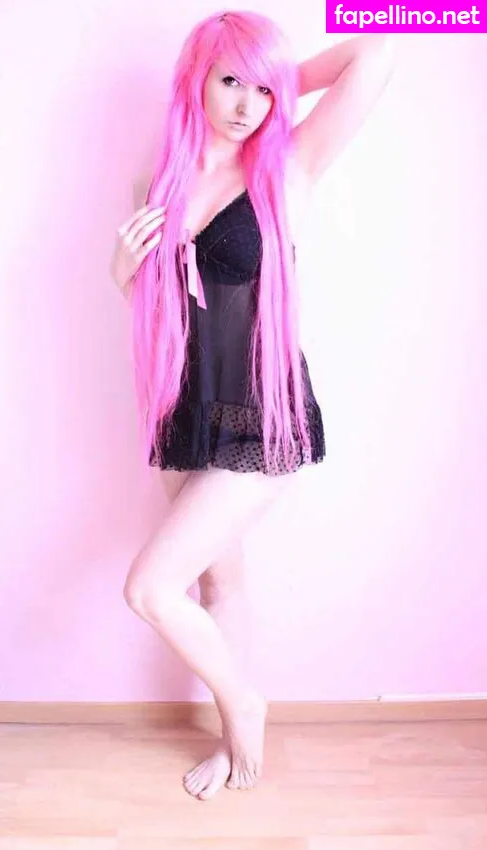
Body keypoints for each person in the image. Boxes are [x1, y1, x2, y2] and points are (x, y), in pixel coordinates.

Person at [110, 11, 394, 799]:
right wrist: (122, 277)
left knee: (149, 590)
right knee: (217, 587)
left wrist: (275, 79)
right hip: (186, 411)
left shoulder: (288, 165)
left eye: (260, 89)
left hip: (259, 413)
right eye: (230, 80)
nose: (246, 104)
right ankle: (233, 746)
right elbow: (166, 315)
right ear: (196, 79)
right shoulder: (156, 184)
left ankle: (246, 706)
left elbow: (377, 49)